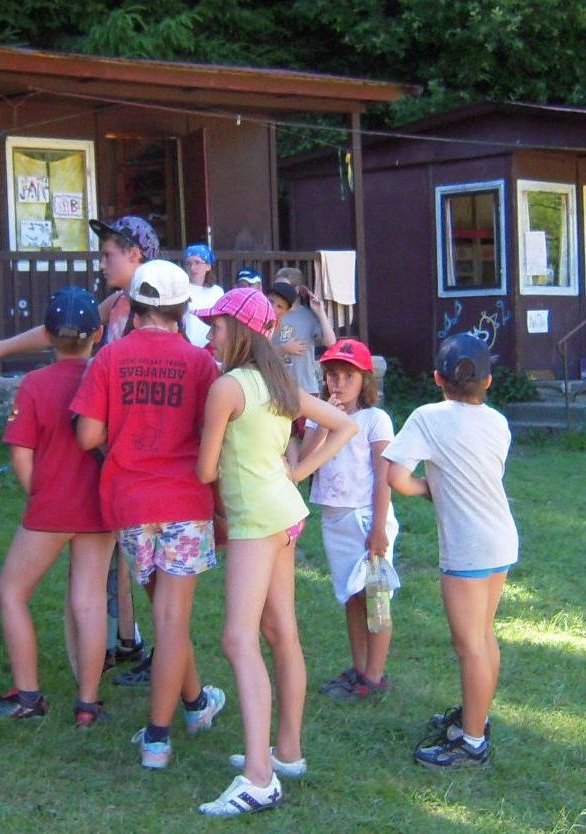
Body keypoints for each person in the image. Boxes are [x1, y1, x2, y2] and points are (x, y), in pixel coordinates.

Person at [0, 215, 157, 678]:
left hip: (127, 462)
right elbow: (69, 328)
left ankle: (164, 669)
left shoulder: (151, 310)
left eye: (108, 254)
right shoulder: (117, 302)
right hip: (103, 467)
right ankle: (118, 653)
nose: (101, 262)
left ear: (135, 255)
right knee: (100, 580)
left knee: (141, 580)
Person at [194, 288, 356, 816]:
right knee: (279, 630)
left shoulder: (226, 387)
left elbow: (206, 470)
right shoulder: (280, 382)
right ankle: (286, 752)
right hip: (285, 514)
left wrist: (292, 469)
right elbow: (344, 423)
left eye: (217, 325)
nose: (211, 335)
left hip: (256, 521)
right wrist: (298, 473)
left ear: (239, 331)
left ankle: (259, 778)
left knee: (237, 639)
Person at [72, 259, 225, 770]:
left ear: (134, 307)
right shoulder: (200, 363)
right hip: (184, 501)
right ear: (183, 310)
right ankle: (158, 738)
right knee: (172, 618)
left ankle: (196, 704)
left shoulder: (109, 357)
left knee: (164, 611)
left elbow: (88, 435)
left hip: (130, 503)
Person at [0, 286, 114, 726]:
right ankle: (87, 704)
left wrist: (42, 495)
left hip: (51, 508)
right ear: (97, 334)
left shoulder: (34, 384)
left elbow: (20, 454)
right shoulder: (107, 377)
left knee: (11, 592)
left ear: (48, 335)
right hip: (100, 508)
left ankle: (29, 696)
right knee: (89, 601)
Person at [383, 333, 518, 770]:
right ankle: (476, 719)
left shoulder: (427, 417)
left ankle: (472, 742)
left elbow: (396, 477)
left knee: (470, 645)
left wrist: (428, 489)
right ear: (489, 381)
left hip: (468, 547)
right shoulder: (498, 422)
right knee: (484, 635)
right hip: (500, 538)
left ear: (437, 378)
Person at [299, 339, 399, 701]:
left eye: (348, 376)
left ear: (364, 380)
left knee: (376, 596)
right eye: (332, 376)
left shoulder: (375, 420)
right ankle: (359, 667)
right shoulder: (320, 415)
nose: (338, 384)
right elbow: (304, 461)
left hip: (367, 518)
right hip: (335, 519)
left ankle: (375, 675)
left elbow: (383, 476)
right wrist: (325, 422)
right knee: (351, 597)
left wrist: (378, 529)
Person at [271, 277, 337, 439]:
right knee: (284, 439)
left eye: (285, 288)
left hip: (306, 387)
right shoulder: (271, 315)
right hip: (277, 388)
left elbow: (330, 342)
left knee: (307, 436)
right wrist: (283, 349)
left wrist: (320, 313)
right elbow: (259, 350)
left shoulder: (307, 315)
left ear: (296, 290)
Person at [182, 243, 224, 348]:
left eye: (197, 263)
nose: (192, 268)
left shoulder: (217, 292)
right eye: (188, 263)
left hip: (211, 346)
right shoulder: (181, 289)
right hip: (188, 346)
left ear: (208, 266)